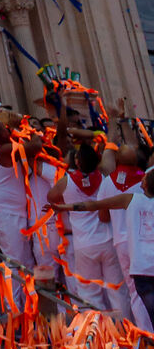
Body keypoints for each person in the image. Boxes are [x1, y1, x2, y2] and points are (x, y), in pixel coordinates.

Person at [53, 137, 135, 317]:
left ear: (76, 161)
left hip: (84, 245)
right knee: (117, 289)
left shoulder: (66, 181)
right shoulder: (105, 177)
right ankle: (124, 332)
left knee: (90, 292)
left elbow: (51, 197)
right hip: (108, 241)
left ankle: (99, 336)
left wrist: (67, 199)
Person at [100, 160, 154, 326]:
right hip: (141, 247)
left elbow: (102, 215)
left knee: (133, 293)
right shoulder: (143, 181)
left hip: (123, 243)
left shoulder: (109, 182)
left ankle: (143, 335)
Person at [0, 120, 34, 270]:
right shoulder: (3, 149)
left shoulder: (0, 149)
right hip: (6, 214)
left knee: (27, 263)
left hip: (12, 213)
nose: (8, 130)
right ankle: (11, 295)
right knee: (14, 264)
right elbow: (34, 147)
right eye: (4, 128)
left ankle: (26, 294)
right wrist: (30, 130)